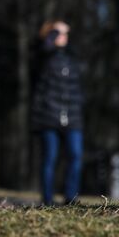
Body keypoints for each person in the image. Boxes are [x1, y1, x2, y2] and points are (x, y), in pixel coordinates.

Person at [32, 20, 84, 205]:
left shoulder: (71, 57)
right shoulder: (43, 57)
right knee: (50, 159)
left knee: (76, 156)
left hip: (73, 116)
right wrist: (52, 32)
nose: (63, 36)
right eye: (58, 33)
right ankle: (47, 200)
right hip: (48, 116)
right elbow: (42, 50)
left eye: (65, 33)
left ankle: (71, 197)